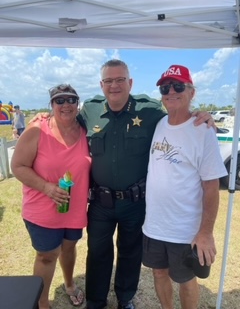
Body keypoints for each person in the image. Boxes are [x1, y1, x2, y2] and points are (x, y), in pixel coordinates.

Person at [31, 60, 214, 309]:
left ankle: (125, 298)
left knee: (130, 254)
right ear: (101, 84)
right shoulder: (90, 110)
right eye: (108, 80)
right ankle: (96, 300)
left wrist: (202, 115)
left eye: (120, 80)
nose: (114, 85)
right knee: (97, 253)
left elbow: (178, 116)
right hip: (100, 203)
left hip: (135, 202)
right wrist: (43, 117)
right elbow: (65, 118)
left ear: (130, 82)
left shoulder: (150, 111)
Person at [142, 64, 227, 309]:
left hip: (185, 229)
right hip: (155, 225)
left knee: (186, 280)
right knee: (159, 273)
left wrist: (205, 233)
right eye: (165, 87)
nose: (171, 91)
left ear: (192, 92)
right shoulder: (159, 125)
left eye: (178, 85)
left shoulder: (203, 130)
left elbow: (211, 186)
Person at [11, 84, 91, 309]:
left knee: (69, 248)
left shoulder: (86, 129)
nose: (66, 104)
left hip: (73, 208)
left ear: (77, 103)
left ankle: (69, 285)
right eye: (59, 100)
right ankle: (42, 301)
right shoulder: (37, 129)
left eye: (71, 100)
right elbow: (17, 166)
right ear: (51, 105)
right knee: (47, 256)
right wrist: (46, 187)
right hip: (42, 208)